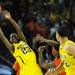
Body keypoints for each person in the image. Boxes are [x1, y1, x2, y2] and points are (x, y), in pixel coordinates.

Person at [0, 10, 43, 75]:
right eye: (11, 37)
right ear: (10, 41)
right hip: (26, 70)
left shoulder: (23, 41)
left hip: (36, 67)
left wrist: (10, 19)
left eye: (14, 35)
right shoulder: (13, 48)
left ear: (18, 37)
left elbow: (19, 30)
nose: (13, 36)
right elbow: (3, 37)